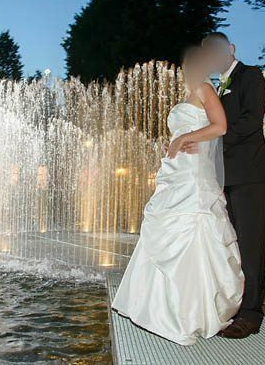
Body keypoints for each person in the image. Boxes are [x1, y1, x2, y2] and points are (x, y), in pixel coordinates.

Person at [111, 46, 244, 346]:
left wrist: (185, 137)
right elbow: (192, 129)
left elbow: (219, 126)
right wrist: (175, 143)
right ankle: (158, 308)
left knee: (193, 234)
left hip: (193, 178)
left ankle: (189, 314)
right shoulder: (189, 93)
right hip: (177, 172)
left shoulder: (204, 87)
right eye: (186, 65)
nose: (189, 69)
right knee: (165, 230)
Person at [182, 32, 265, 339]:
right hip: (223, 177)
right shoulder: (216, 87)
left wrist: (210, 142)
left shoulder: (250, 76)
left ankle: (251, 314)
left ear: (231, 49)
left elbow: (251, 121)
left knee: (250, 245)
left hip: (249, 174)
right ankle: (234, 305)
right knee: (230, 244)